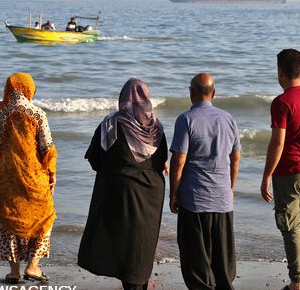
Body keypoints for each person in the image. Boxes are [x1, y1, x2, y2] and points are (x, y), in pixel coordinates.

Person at [78, 78, 168, 290]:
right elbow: (161, 157)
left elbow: (95, 157)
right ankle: (139, 280)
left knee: (121, 238)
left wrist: (113, 170)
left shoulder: (111, 123)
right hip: (151, 193)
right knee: (142, 241)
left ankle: (130, 281)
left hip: (119, 190)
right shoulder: (157, 127)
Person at [0, 73, 57, 284]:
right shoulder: (37, 113)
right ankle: (33, 266)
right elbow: (47, 148)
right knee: (44, 218)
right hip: (34, 178)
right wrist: (52, 175)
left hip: (5, 179)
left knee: (8, 221)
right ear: (28, 89)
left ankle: (14, 271)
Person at [260, 49, 300, 290]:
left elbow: (278, 142)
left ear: (280, 73)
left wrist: (266, 175)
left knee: (290, 228)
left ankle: (296, 283)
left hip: (289, 171)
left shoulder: (282, 102)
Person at [169, 73, 241, 290]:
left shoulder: (186, 119)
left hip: (194, 202)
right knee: (222, 265)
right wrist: (230, 188)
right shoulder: (229, 119)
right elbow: (235, 158)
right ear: (214, 93)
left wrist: (173, 194)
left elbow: (178, 161)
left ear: (191, 93)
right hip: (222, 201)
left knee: (196, 266)